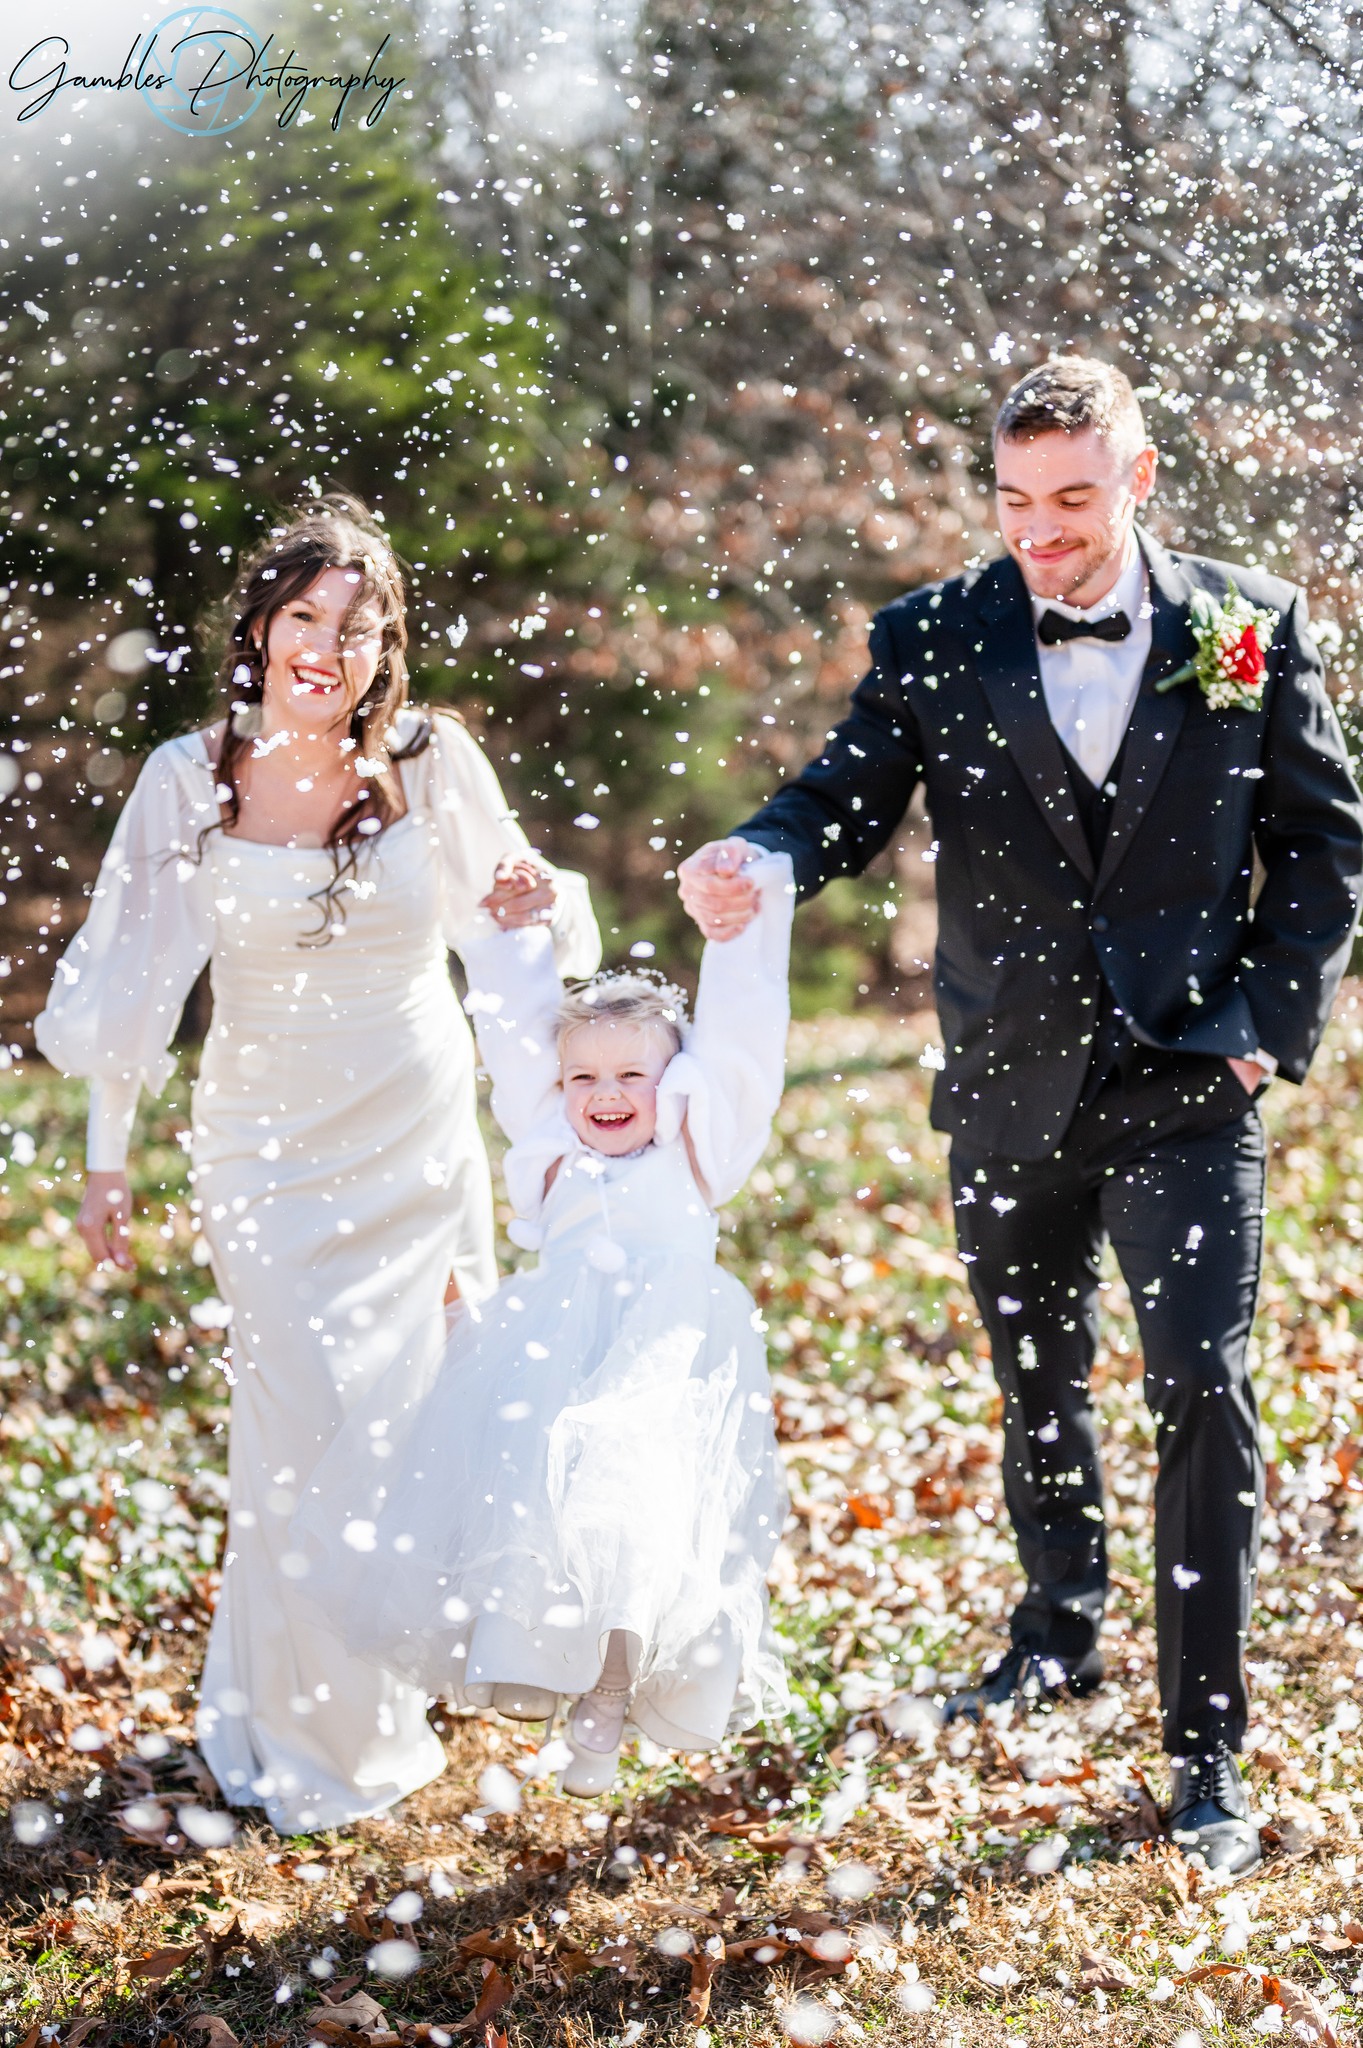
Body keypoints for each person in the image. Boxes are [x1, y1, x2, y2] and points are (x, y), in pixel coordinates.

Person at [678, 358, 1363, 1875]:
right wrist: (761, 858)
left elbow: (1323, 853)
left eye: (1071, 500)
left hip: (1188, 1082)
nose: (1039, 535)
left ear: (1138, 474)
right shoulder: (936, 636)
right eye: (1012, 502)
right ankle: (1055, 1632)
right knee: (1032, 1380)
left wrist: (1256, 1032)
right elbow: (838, 800)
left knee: (1200, 1389)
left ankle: (1203, 1749)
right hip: (1005, 1084)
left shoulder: (1245, 626)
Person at [36, 494, 601, 1833]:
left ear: (383, 644)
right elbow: (133, 985)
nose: (327, 650)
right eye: (304, 619)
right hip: (263, 1146)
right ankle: (309, 1736)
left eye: (358, 628)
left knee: (406, 1426)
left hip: (412, 1136)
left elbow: (513, 921)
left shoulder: (429, 758)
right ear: (259, 625)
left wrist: (538, 911)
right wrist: (106, 1164)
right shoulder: (189, 778)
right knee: (301, 1433)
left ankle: (383, 1693)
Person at [293, 851, 795, 1797]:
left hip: (665, 1355)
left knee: (637, 1517)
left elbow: (741, 1043)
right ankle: (549, 1657)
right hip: (553, 1352)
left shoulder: (694, 1146)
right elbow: (517, 1034)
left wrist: (737, 938)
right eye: (585, 1079)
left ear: (672, 1079)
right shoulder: (552, 1147)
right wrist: (514, 934)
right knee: (541, 1511)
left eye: (630, 1076)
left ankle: (611, 1690)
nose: (606, 1095)